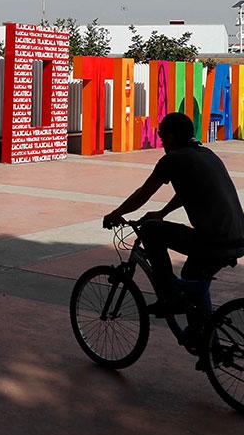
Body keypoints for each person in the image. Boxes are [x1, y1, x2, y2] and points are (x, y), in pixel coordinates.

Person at [103, 112, 244, 323]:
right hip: (238, 238)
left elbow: (145, 192)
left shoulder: (173, 159)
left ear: (170, 137)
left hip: (215, 240)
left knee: (150, 229)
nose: (162, 144)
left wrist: (116, 214)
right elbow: (188, 190)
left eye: (161, 138)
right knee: (193, 277)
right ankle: (207, 345)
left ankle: (168, 295)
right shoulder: (207, 154)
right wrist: (163, 213)